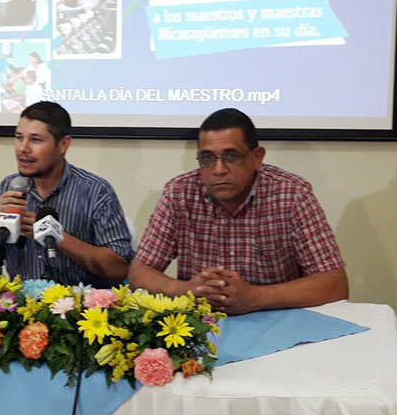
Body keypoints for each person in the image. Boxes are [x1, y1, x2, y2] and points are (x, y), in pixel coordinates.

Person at [129, 108, 348, 314]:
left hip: (277, 318)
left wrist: (255, 297)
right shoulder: (180, 193)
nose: (218, 170)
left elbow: (334, 284)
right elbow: (139, 273)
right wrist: (188, 290)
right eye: (207, 158)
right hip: (203, 322)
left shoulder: (291, 194)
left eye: (231, 156)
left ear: (257, 157)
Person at [0, 102, 133, 288]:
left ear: (63, 144)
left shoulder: (96, 191)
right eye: (19, 138)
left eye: (35, 140)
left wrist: (56, 236)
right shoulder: (9, 187)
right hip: (22, 302)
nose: (22, 148)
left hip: (79, 303)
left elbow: (119, 269)